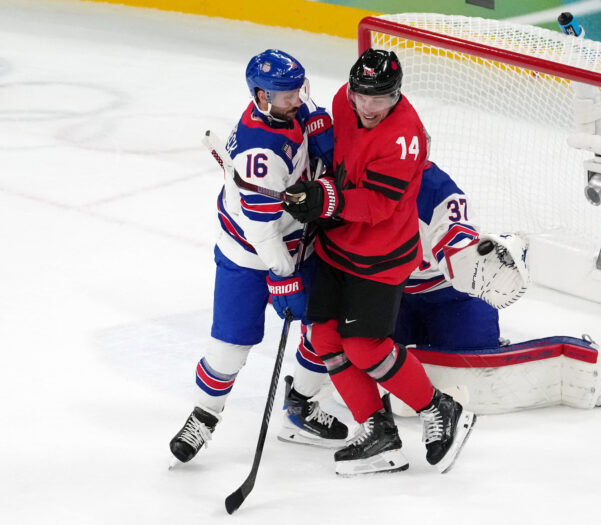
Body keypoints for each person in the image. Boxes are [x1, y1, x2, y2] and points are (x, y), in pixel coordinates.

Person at [282, 49, 476, 476]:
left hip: (381, 257)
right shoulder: (341, 102)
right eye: (362, 95)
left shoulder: (406, 137)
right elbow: (332, 154)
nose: (368, 107)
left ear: (397, 95)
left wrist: (322, 200)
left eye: (381, 98)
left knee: (365, 347)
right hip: (338, 247)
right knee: (326, 339)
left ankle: (440, 408)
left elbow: (377, 204)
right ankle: (379, 433)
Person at [168, 49, 348, 465]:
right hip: (249, 255)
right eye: (287, 94)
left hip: (298, 242)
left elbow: (312, 115)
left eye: (298, 90)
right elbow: (260, 231)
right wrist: (282, 274)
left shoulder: (287, 108)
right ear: (261, 96)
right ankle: (204, 415)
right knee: (229, 347)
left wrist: (322, 132)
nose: (297, 99)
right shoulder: (259, 155)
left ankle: (301, 406)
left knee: (324, 330)